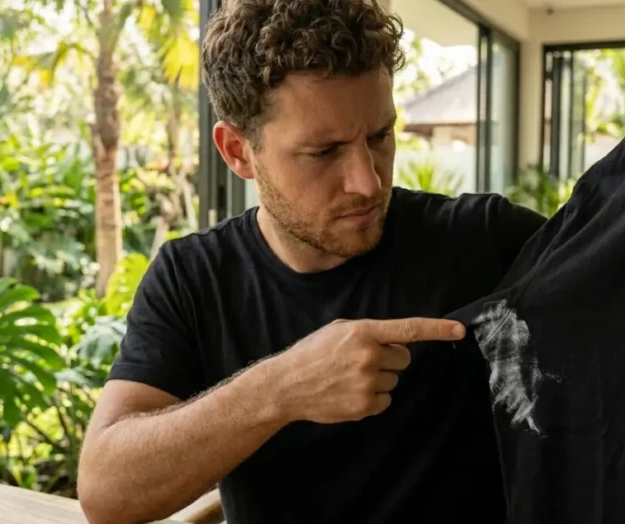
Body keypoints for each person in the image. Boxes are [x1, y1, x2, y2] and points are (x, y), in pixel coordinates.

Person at [77, 1, 546, 523]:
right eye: (324, 152)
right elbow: (105, 494)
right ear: (237, 151)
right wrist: (283, 387)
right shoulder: (194, 278)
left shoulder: (486, 240)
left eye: (380, 137)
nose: (368, 182)